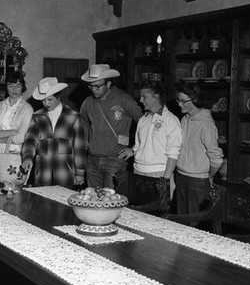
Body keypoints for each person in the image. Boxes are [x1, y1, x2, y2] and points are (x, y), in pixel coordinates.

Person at [119, 80, 181, 214]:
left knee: (158, 217)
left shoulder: (171, 120)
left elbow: (173, 153)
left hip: (158, 175)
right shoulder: (143, 119)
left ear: (156, 96)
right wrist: (133, 150)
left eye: (144, 97)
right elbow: (140, 142)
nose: (140, 100)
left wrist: (165, 180)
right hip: (138, 172)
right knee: (138, 215)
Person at [79, 64, 143, 191]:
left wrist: (134, 149)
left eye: (97, 86)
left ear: (108, 84)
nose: (93, 90)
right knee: (93, 199)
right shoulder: (88, 102)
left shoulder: (124, 99)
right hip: (92, 159)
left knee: (112, 200)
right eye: (91, 86)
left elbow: (145, 122)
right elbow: (83, 121)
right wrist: (86, 140)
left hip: (115, 159)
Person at [21, 77, 86, 188]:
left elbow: (79, 146)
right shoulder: (37, 116)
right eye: (43, 100)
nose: (46, 103)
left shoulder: (73, 116)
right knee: (41, 203)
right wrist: (27, 157)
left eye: (49, 99)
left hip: (65, 173)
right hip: (42, 173)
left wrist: (79, 172)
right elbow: (30, 140)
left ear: (58, 97)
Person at [175, 83, 224, 219]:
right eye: (178, 100)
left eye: (183, 101)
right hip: (181, 177)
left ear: (195, 100)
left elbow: (216, 158)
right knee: (180, 223)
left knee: (195, 224)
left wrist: (208, 176)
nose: (179, 104)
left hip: (197, 181)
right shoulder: (185, 119)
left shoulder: (206, 124)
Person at [0, 71, 33, 185]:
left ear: (23, 87)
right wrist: (13, 132)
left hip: (17, 154)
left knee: (16, 188)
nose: (14, 89)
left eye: (18, 85)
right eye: (10, 85)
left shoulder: (27, 109)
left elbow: (21, 137)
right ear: (6, 87)